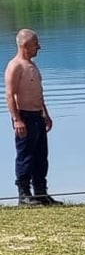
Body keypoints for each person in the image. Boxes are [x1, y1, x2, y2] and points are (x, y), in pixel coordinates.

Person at [5, 29, 61, 206]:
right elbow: (9, 94)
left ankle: (41, 193)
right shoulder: (15, 66)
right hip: (25, 117)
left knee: (41, 156)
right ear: (25, 45)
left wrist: (45, 114)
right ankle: (24, 194)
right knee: (25, 156)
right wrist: (17, 119)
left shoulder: (32, 66)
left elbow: (39, 92)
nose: (39, 47)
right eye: (36, 43)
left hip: (37, 116)